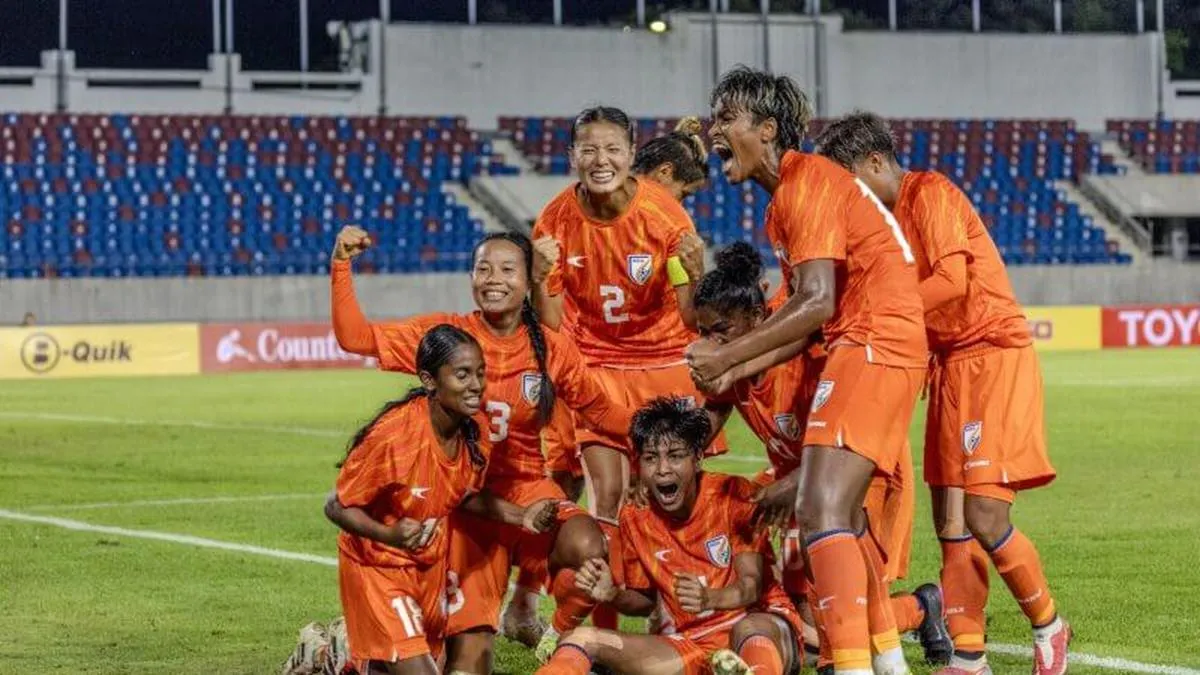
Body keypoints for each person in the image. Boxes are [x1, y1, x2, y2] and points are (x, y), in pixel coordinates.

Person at [687, 66, 928, 675]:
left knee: (820, 509)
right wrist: (733, 369)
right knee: (840, 518)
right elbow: (811, 324)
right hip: (866, 341)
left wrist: (727, 355)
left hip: (874, 341)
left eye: (726, 118)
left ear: (767, 130)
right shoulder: (783, 207)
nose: (715, 131)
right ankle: (888, 662)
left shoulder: (808, 181)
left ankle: (849, 665)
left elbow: (816, 301)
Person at [816, 112, 1069, 675]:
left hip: (992, 356)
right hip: (948, 365)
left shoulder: (929, 193)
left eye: (848, 182)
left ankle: (1050, 626)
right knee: (951, 524)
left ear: (876, 163)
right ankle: (969, 654)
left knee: (982, 513)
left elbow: (952, 282)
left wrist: (875, 316)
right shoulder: (877, 223)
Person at [330, 228, 632, 674]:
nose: (493, 278)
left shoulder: (548, 347)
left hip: (527, 490)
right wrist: (341, 264)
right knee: (455, 665)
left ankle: (551, 635)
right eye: (483, 268)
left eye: (508, 269)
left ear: (530, 278)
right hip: (462, 504)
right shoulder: (450, 339)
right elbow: (356, 338)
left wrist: (662, 436)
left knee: (590, 545)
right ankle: (342, 650)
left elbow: (602, 410)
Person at [692, 242, 952, 671]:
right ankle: (910, 611)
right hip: (798, 486)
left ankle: (868, 644)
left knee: (840, 584)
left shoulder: (811, 363)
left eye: (720, 331)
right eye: (703, 333)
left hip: (865, 471)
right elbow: (697, 432)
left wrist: (790, 486)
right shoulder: (730, 375)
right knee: (807, 603)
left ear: (758, 321)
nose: (711, 344)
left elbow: (847, 443)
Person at [530, 106, 720, 641]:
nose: (600, 160)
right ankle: (587, 630)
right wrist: (538, 277)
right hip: (597, 370)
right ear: (572, 157)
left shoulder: (666, 216)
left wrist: (698, 271)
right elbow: (550, 324)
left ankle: (678, 610)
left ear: (632, 154)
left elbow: (689, 318)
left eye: (612, 149)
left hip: (663, 366)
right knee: (607, 496)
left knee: (675, 496)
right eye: (588, 149)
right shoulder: (553, 221)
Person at [325, 323, 558, 675]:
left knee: (412, 665)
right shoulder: (394, 437)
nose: (476, 385)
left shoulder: (475, 431)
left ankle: (337, 655)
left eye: (480, 373)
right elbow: (336, 505)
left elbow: (460, 496)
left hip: (428, 567)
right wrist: (388, 535)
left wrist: (521, 516)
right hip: (378, 568)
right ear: (429, 380)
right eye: (462, 375)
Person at [537, 397, 806, 675]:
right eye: (651, 458)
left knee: (750, 629)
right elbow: (643, 602)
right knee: (579, 638)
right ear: (639, 465)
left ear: (698, 458)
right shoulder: (635, 517)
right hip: (691, 644)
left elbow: (750, 587)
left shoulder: (733, 493)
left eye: (675, 456)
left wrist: (708, 599)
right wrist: (612, 593)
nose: (663, 469)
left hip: (760, 627)